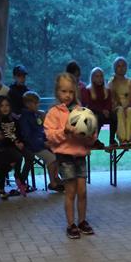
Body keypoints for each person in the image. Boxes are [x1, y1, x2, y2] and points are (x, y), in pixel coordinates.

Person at [44, 72, 96, 239]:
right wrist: (64, 131)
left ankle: (82, 221)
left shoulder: (82, 111)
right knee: (71, 192)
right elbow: (50, 136)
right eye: (64, 91)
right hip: (65, 158)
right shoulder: (53, 113)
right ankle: (71, 224)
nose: (67, 95)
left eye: (71, 92)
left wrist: (89, 135)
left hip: (80, 156)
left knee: (82, 191)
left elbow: (91, 135)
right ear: (57, 92)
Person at [18, 91, 63, 192]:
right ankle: (53, 183)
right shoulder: (25, 118)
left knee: (59, 153)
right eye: (36, 103)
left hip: (41, 143)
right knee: (51, 158)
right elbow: (28, 137)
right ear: (28, 104)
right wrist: (43, 143)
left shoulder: (36, 115)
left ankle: (56, 177)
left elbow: (42, 131)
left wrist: (49, 140)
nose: (38, 105)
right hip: (33, 147)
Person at [0, 95, 32, 195]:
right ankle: (14, 180)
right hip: (5, 146)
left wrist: (21, 142)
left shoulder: (13, 118)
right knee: (16, 157)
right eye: (2, 106)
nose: (5, 108)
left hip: (17, 144)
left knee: (30, 155)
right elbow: (1, 138)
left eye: (7, 105)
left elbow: (19, 133)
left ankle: (20, 179)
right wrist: (15, 144)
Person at [108, 57, 131, 144]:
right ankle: (122, 138)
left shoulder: (130, 82)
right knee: (120, 110)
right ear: (115, 68)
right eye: (119, 66)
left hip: (128, 105)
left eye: (123, 66)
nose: (121, 68)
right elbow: (112, 99)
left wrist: (126, 107)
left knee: (130, 110)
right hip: (116, 107)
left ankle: (129, 138)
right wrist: (121, 107)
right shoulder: (111, 82)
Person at [84, 67, 114, 146]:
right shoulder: (88, 90)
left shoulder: (107, 90)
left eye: (101, 76)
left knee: (114, 116)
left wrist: (107, 110)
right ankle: (94, 140)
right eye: (97, 76)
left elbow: (109, 103)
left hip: (105, 112)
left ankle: (112, 141)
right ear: (93, 78)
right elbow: (90, 105)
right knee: (97, 116)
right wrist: (102, 110)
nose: (99, 78)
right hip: (94, 112)